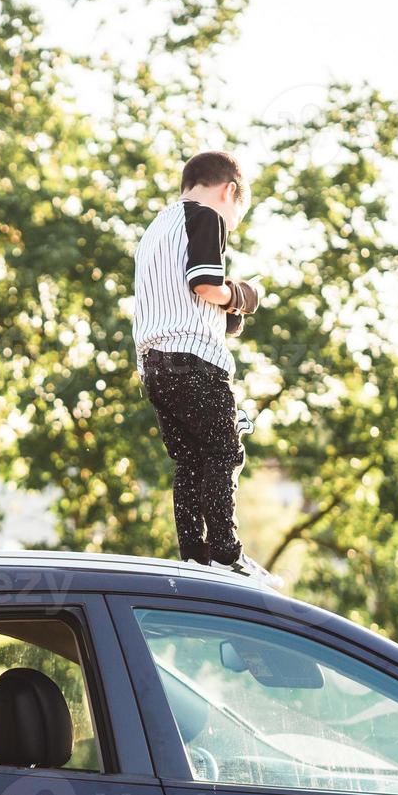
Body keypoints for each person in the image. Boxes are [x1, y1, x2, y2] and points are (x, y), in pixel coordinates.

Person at [131, 150, 275, 582]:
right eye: (235, 218)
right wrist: (241, 297)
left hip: (155, 366)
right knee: (223, 452)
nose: (228, 227)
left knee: (190, 463)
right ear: (229, 191)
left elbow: (179, 294)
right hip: (196, 363)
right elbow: (205, 284)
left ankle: (194, 556)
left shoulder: (156, 229)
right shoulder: (207, 216)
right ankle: (227, 554)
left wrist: (223, 316)